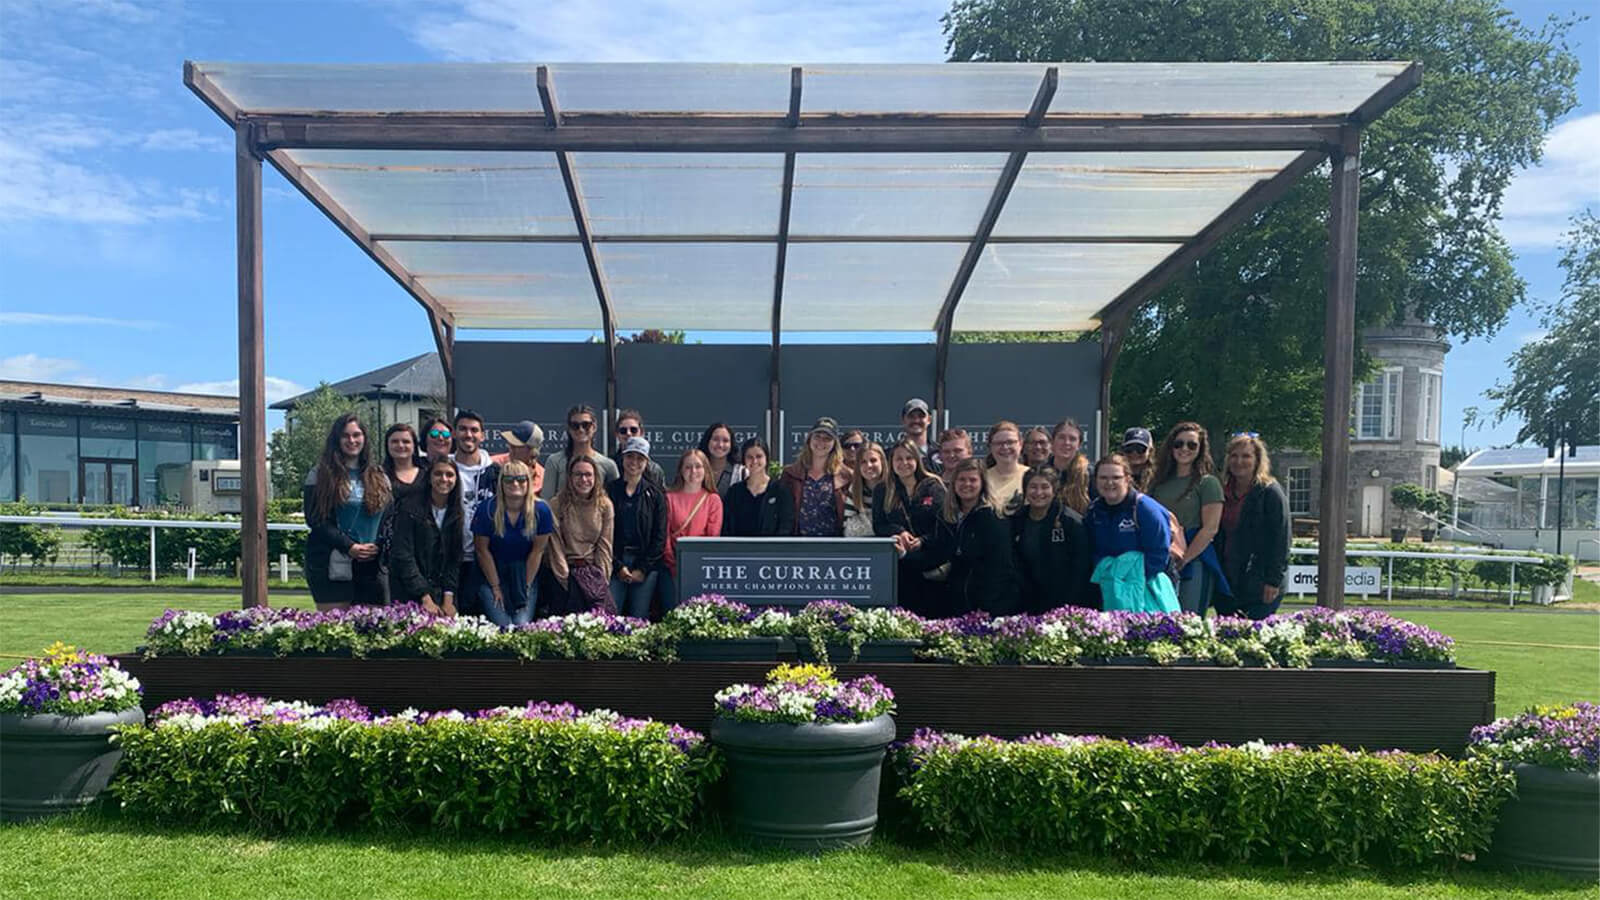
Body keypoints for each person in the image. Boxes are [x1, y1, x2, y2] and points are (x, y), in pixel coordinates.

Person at [900, 457, 1020, 617]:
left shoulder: (994, 518)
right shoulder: (946, 516)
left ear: (982, 483)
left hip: (986, 604)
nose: (967, 484)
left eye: (973, 480)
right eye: (962, 479)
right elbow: (938, 552)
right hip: (954, 600)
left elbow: (1000, 566)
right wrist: (904, 555)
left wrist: (989, 608)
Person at [302, 414, 391, 610]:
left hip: (371, 566)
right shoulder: (319, 474)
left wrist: (378, 545)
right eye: (345, 436)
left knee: (373, 629)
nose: (352, 441)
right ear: (336, 439)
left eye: (356, 435)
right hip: (330, 565)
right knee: (335, 631)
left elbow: (387, 519)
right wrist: (349, 546)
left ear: (364, 438)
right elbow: (316, 520)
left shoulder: (379, 475)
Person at [1149, 422, 1228, 616]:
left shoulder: (1208, 483)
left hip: (1195, 560)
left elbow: (1210, 529)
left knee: (1188, 620)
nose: (1184, 449)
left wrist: (1184, 560)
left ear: (1200, 450)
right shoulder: (1158, 482)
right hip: (1162, 557)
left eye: (1192, 445)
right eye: (1179, 444)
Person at [1084, 454, 1179, 613]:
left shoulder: (1145, 509)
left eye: (1116, 477)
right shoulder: (1094, 511)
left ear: (1127, 479)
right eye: (1103, 477)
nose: (1109, 483)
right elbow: (1093, 550)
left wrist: (1129, 579)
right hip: (1111, 586)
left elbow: (1159, 554)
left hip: (1149, 586)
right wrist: (1111, 576)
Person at [1212, 433, 1291, 621]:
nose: (1239, 461)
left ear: (1257, 460)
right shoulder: (1221, 490)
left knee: (1252, 639)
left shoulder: (1270, 492)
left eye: (1246, 456)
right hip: (1229, 580)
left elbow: (1281, 539)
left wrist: (1273, 580)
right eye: (1234, 455)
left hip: (1261, 582)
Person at [471, 460, 554, 628]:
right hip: (492, 573)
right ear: (501, 483)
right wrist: (495, 587)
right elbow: (482, 550)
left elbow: (537, 552)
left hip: (524, 573)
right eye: (508, 479)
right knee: (503, 625)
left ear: (528, 482)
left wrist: (526, 587)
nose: (515, 483)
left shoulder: (542, 511)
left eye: (521, 479)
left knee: (520, 625)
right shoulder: (487, 509)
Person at [872, 439, 947, 615]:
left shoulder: (933, 486)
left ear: (917, 460)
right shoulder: (882, 489)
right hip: (899, 569)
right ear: (891, 461)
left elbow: (944, 526)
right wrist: (899, 532)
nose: (904, 463)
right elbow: (879, 525)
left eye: (909, 458)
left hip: (931, 566)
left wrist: (923, 541)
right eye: (898, 459)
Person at [1010, 467, 1093, 613]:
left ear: (1054, 490)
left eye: (1045, 487)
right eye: (1033, 487)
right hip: (1027, 604)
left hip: (1064, 605)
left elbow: (1081, 568)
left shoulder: (1070, 522)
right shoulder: (1017, 520)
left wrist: (1069, 608)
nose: (1038, 493)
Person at [387, 457, 463, 615]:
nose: (444, 479)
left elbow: (454, 559)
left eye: (449, 475)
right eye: (438, 474)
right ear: (429, 478)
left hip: (442, 594)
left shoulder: (456, 513)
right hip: (410, 594)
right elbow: (403, 555)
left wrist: (448, 601)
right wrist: (425, 598)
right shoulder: (409, 509)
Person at [607, 436, 667, 619]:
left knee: (639, 618)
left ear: (646, 462)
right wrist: (618, 566)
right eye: (630, 457)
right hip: (615, 563)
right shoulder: (610, 491)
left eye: (640, 458)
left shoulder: (655, 495)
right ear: (623, 459)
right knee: (610, 616)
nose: (634, 462)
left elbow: (659, 536)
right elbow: (603, 533)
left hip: (645, 566)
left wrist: (643, 569)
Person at [548, 456, 615, 616]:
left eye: (588, 474)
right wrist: (566, 581)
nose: (583, 479)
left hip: (594, 574)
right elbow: (555, 544)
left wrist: (601, 582)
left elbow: (605, 546)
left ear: (595, 477)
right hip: (565, 575)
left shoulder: (605, 505)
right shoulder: (557, 504)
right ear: (570, 478)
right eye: (578, 474)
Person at [661, 449, 724, 611]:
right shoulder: (669, 498)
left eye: (698, 466)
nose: (693, 471)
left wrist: (697, 565)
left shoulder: (713, 500)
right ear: (681, 470)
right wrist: (673, 564)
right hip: (672, 570)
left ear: (705, 470)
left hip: (701, 570)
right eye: (688, 467)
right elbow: (665, 536)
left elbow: (712, 538)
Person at [450, 409, 500, 609]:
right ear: (454, 433)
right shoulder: (443, 471)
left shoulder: (496, 473)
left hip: (488, 559)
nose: (468, 435)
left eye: (474, 430)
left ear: (483, 435)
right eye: (462, 429)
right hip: (452, 559)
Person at [376, 422, 425, 605]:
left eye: (406, 441)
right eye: (394, 441)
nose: (400, 445)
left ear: (414, 446)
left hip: (422, 548)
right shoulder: (378, 475)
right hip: (389, 551)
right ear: (387, 446)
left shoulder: (427, 474)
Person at [780, 417, 849, 537]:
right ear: (809, 439)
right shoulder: (790, 473)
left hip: (835, 546)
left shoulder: (847, 476)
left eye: (827, 438)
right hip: (798, 544)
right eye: (817, 436)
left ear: (834, 444)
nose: (821, 442)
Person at [542, 404, 619, 499]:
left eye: (586, 425)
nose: (581, 429)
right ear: (569, 429)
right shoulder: (555, 461)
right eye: (575, 426)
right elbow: (546, 501)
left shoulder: (608, 465)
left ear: (594, 427)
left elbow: (615, 502)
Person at [722, 437, 794, 537]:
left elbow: (786, 526)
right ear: (744, 460)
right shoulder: (734, 492)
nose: (754, 461)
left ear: (766, 458)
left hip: (772, 551)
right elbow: (727, 527)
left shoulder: (780, 490)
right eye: (749, 457)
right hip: (739, 551)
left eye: (759, 456)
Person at [981, 420, 1027, 515]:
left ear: (1021, 444)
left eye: (1010, 442)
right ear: (990, 447)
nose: (1005, 447)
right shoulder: (981, 478)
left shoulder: (1031, 476)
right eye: (998, 443)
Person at [1047, 419, 1092, 514]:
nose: (1066, 442)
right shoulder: (1041, 472)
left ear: (1079, 445)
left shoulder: (1089, 474)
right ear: (1052, 441)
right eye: (1061, 437)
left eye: (1072, 439)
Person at [489, 420, 545, 495]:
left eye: (516, 446)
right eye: (510, 444)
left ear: (532, 451)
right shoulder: (491, 464)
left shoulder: (543, 477)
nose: (511, 448)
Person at [612, 408, 666, 486]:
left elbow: (660, 496)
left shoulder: (654, 470)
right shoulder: (610, 465)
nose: (628, 433)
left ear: (642, 433)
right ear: (617, 434)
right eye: (623, 430)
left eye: (633, 430)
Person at [843, 441, 886, 537]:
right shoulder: (854, 489)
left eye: (873, 460)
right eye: (863, 462)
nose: (869, 465)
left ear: (882, 461)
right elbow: (847, 527)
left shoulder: (893, 487)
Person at [698, 422, 748, 496]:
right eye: (715, 439)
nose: (720, 445)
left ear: (731, 444)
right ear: (707, 441)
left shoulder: (741, 473)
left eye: (725, 441)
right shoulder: (696, 469)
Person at [900, 398, 937, 470]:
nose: (916, 420)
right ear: (903, 420)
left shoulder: (940, 453)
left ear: (929, 420)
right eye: (911, 416)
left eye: (921, 416)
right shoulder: (892, 454)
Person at [1121, 427, 1156, 492]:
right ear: (1122, 450)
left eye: (1140, 449)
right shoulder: (1114, 475)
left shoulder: (1158, 477)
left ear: (1150, 451)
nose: (1134, 453)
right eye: (1129, 449)